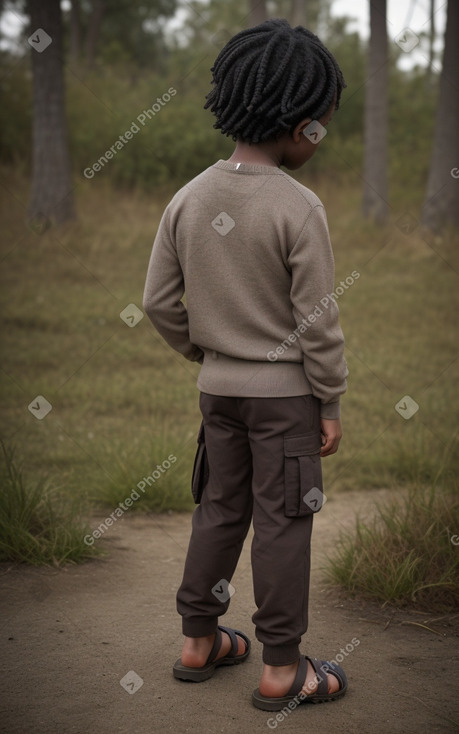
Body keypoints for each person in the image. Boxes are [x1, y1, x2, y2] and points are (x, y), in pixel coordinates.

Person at [143, 18, 349, 712]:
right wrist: (328, 400)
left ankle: (198, 641)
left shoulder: (189, 197)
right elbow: (317, 321)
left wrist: (207, 353)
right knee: (284, 521)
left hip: (217, 393)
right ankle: (281, 670)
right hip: (285, 401)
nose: (321, 138)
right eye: (321, 124)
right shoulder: (298, 206)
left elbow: (157, 302)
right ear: (301, 126)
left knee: (219, 507)